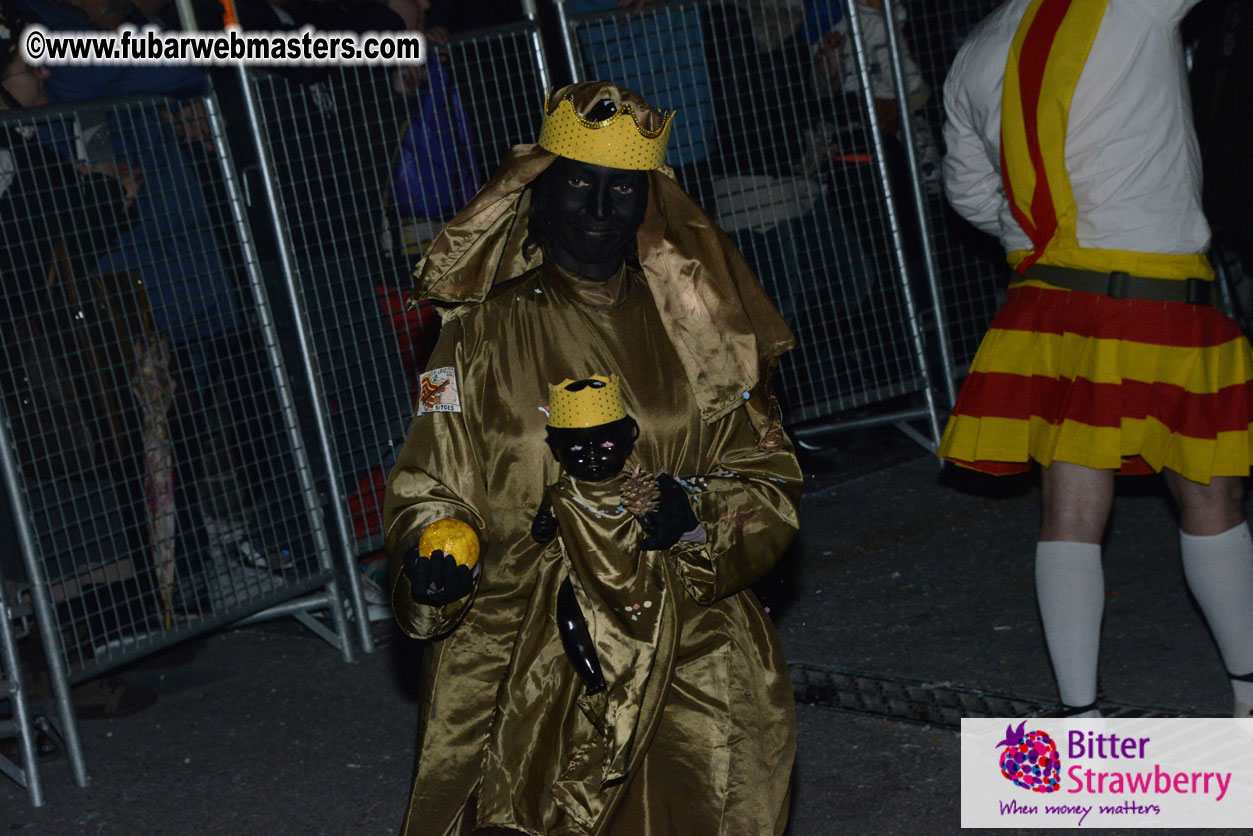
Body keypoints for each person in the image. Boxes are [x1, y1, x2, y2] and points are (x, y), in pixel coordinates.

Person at [384, 81, 801, 835]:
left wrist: (699, 514)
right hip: (523, 647)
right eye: (578, 184)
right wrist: (434, 548)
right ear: (538, 196)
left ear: (651, 204)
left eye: (623, 190)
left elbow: (765, 477)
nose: (600, 211)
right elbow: (432, 480)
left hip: (680, 629)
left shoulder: (699, 332)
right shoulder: (478, 335)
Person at [938, 0, 1253, 718]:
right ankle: (1248, 702)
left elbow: (965, 192)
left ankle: (1080, 716)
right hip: (1152, 291)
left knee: (1069, 504)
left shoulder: (976, 49)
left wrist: (1041, 237)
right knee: (1207, 494)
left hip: (1047, 299)